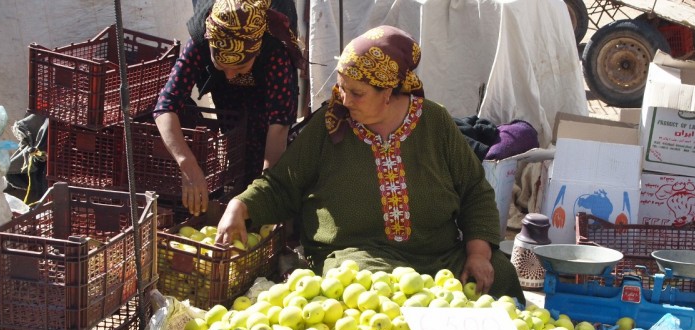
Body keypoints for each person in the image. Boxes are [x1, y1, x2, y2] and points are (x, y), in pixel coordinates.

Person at [215, 25, 525, 300]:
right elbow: (282, 185)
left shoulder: (435, 121)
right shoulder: (330, 124)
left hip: (437, 258)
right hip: (361, 258)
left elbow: (474, 189)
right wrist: (239, 207)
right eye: (341, 87)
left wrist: (478, 253)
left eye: (356, 93)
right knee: (372, 291)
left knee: (500, 274)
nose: (344, 100)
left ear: (388, 92)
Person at [154, 0, 305, 216]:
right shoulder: (200, 40)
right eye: (221, 65)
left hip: (264, 93)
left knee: (259, 157)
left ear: (256, 51)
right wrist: (187, 164)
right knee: (235, 143)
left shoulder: (275, 51)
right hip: (229, 97)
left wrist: (261, 192)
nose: (230, 75)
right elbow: (165, 106)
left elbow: (278, 126)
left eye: (240, 66)